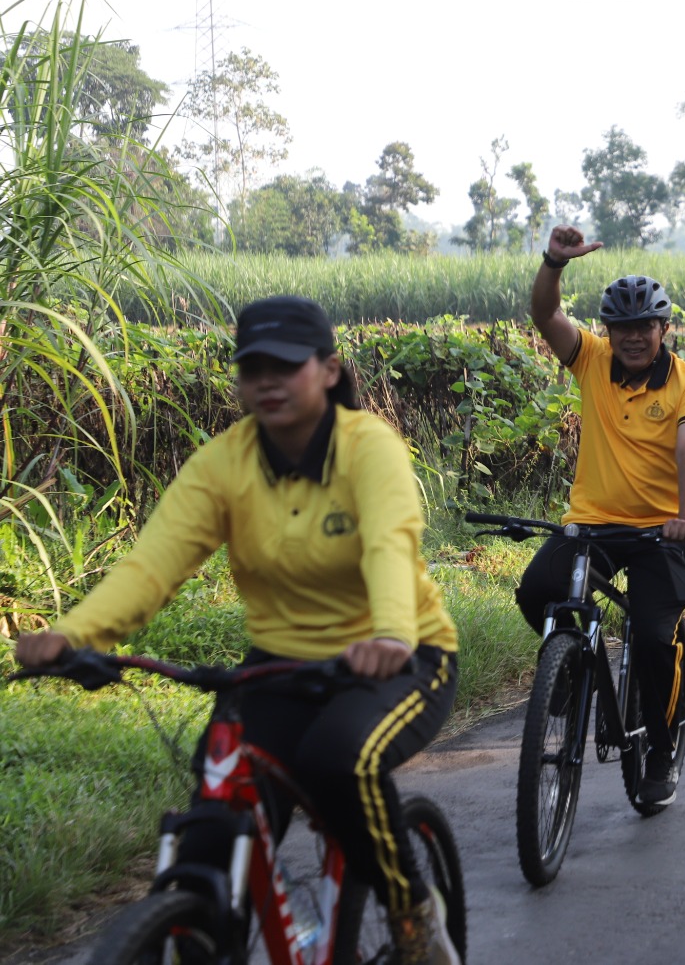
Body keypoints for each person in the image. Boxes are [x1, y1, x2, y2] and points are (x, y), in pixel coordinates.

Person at [15, 296, 462, 965]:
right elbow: (153, 564)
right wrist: (76, 633)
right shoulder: (223, 462)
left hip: (400, 660)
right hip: (278, 668)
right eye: (253, 368)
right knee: (211, 832)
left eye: (285, 366)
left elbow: (388, 548)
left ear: (329, 370)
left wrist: (392, 635)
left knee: (339, 763)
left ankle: (414, 918)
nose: (268, 382)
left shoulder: (369, 448)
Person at [516, 234, 685, 808]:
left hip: (659, 531)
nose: (630, 337)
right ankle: (570, 670)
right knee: (536, 591)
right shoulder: (591, 361)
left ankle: (661, 746)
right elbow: (545, 312)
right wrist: (554, 262)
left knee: (654, 637)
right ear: (606, 331)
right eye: (619, 327)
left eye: (643, 327)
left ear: (663, 329)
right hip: (592, 525)